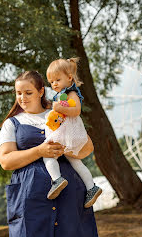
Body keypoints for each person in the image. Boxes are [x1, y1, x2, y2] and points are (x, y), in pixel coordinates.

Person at [0, 70, 107, 237]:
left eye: (28, 92)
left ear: (41, 91)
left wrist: (69, 149)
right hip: (30, 198)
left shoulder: (59, 114)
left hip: (66, 194)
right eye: (18, 93)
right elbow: (6, 161)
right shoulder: (12, 124)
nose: (22, 98)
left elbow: (86, 146)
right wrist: (40, 151)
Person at [43, 58, 102, 207]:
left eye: (57, 79)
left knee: (47, 153)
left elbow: (76, 111)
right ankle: (91, 187)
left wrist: (59, 109)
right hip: (67, 131)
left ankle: (57, 179)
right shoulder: (63, 94)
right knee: (75, 161)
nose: (54, 84)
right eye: (51, 82)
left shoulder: (72, 92)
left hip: (69, 131)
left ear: (69, 78)